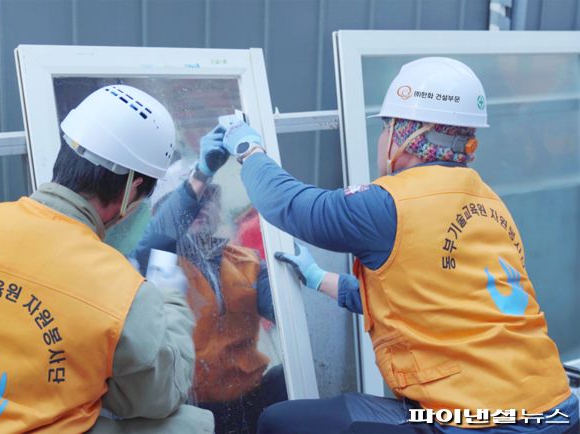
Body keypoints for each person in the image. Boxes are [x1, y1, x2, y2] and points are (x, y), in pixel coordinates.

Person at [214, 57, 578, 433]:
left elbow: (292, 207)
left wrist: (249, 152)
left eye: (387, 126)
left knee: (281, 422)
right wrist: (320, 278)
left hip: (481, 421)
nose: (382, 137)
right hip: (554, 407)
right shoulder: (487, 201)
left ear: (409, 136)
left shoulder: (390, 203)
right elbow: (429, 299)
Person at [0, 85, 213, 434]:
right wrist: (169, 301)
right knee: (186, 425)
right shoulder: (122, 291)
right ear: (132, 190)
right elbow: (155, 396)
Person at [131, 129, 288, 434]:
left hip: (250, 399)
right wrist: (201, 175)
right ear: (163, 211)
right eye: (194, 201)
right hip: (189, 410)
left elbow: (283, 311)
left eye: (209, 198)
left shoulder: (245, 261)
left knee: (287, 386)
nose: (202, 206)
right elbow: (159, 235)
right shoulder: (157, 263)